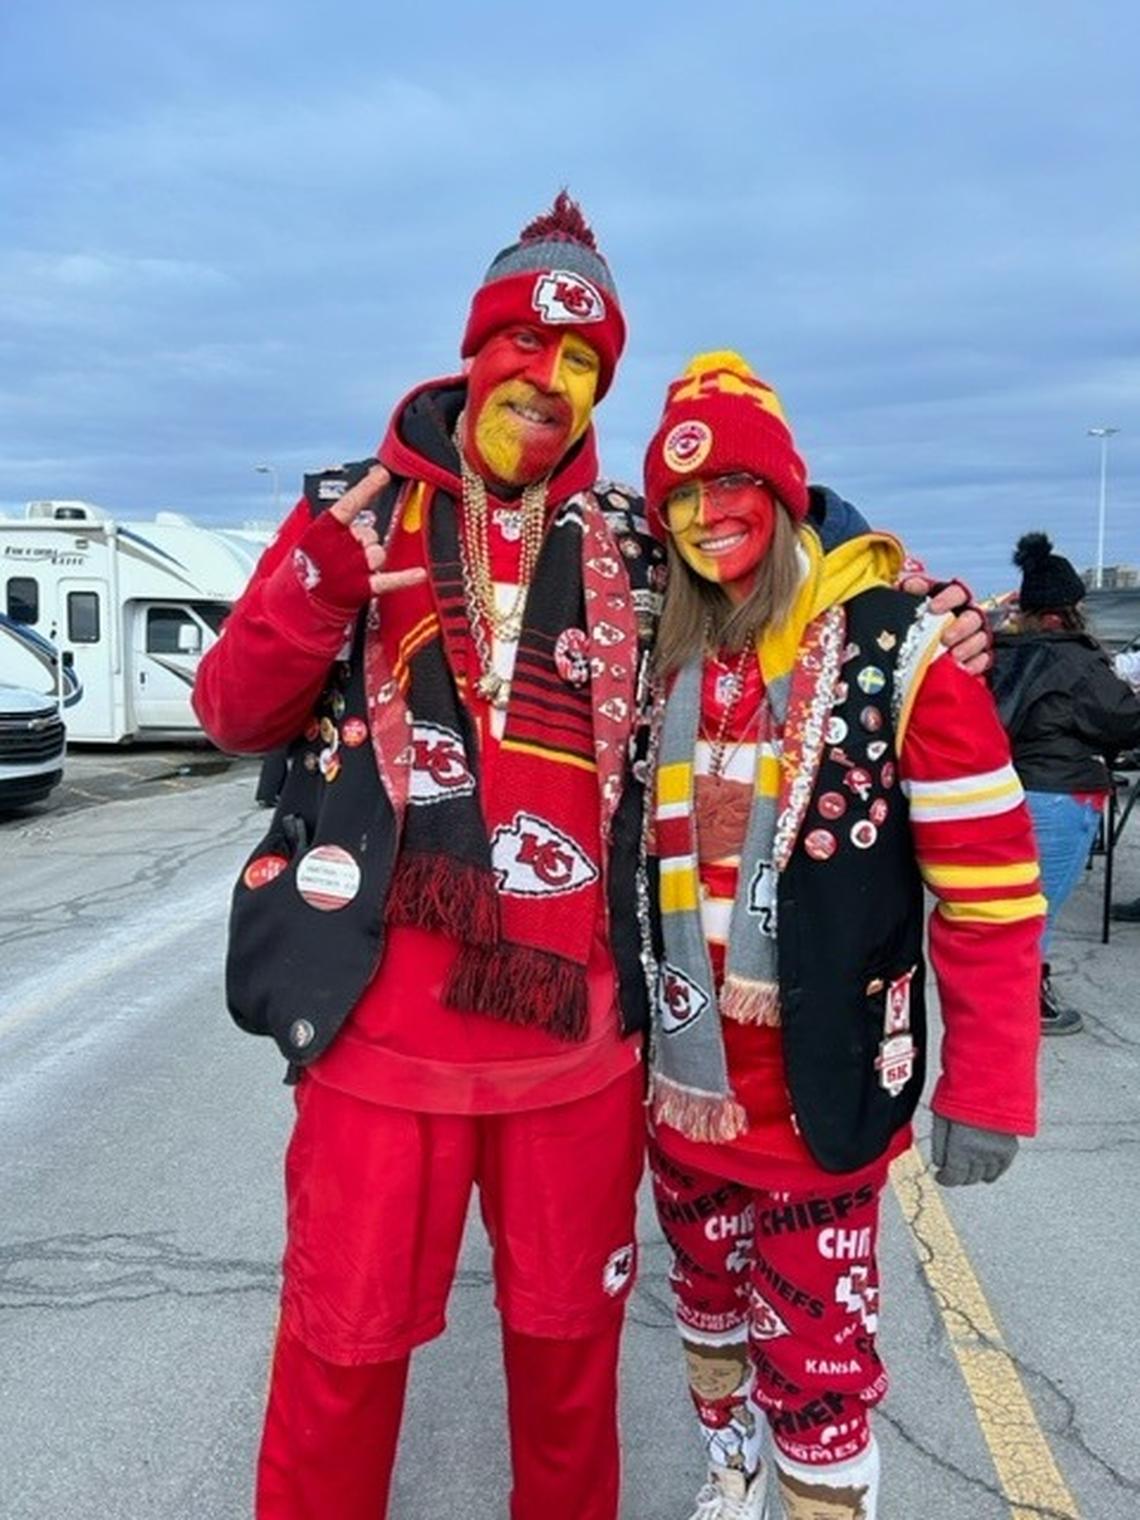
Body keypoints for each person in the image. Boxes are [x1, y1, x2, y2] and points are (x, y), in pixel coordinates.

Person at [192, 200, 989, 1520]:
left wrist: (918, 614)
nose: (547, 382)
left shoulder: (633, 535)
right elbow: (232, 712)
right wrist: (314, 584)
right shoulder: (357, 512)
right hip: (378, 1055)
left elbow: (787, 564)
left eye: (582, 365)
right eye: (522, 345)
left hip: (580, 1054)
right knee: (336, 1365)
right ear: (474, 348)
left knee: (567, 1380)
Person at [641, 352, 1043, 1520]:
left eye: (733, 486)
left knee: (818, 1366)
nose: (709, 516)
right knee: (707, 1307)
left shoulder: (899, 645)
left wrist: (993, 1081)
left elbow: (994, 888)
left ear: (786, 490)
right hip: (679, 1088)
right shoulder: (662, 649)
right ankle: (731, 1468)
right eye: (682, 495)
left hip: (820, 1101)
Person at [991, 533, 1140, 1030]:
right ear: (1067, 611)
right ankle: (1025, 999)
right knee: (1039, 907)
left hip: (1006, 790)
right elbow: (1121, 721)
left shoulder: (1003, 652)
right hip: (1058, 793)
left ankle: (1008, 991)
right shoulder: (1076, 659)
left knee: (1009, 902)